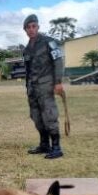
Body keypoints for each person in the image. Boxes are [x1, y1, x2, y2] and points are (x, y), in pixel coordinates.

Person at [22, 14, 65, 159]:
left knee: (49, 116)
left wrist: (58, 82)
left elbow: (58, 61)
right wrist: (27, 88)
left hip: (46, 86)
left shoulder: (48, 42)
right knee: (36, 117)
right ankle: (44, 144)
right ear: (25, 30)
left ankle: (57, 148)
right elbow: (28, 71)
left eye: (34, 26)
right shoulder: (27, 49)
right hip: (33, 88)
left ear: (38, 27)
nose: (31, 29)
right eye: (28, 27)